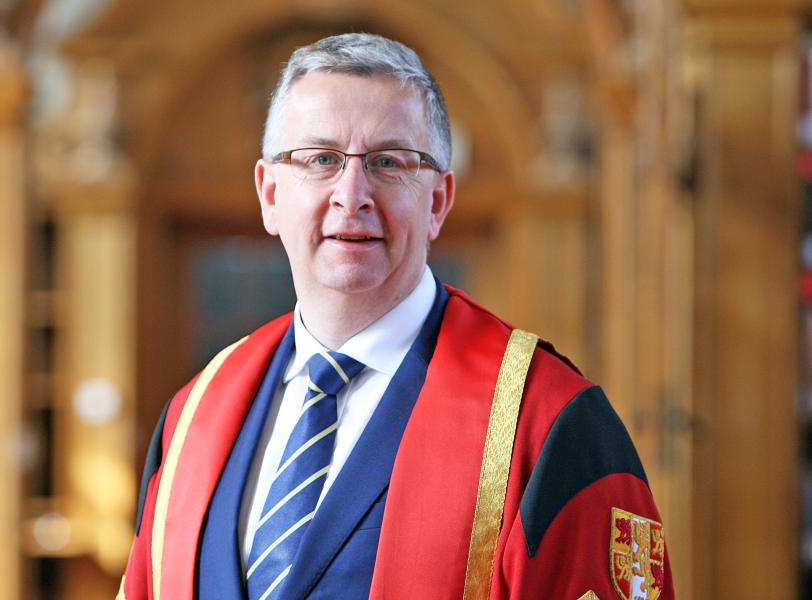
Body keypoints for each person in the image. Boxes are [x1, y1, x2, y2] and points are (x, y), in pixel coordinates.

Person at [118, 33, 674, 600]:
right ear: (269, 194)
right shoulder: (193, 416)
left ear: (437, 201)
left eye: (389, 162)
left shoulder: (550, 421)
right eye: (320, 159)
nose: (351, 194)